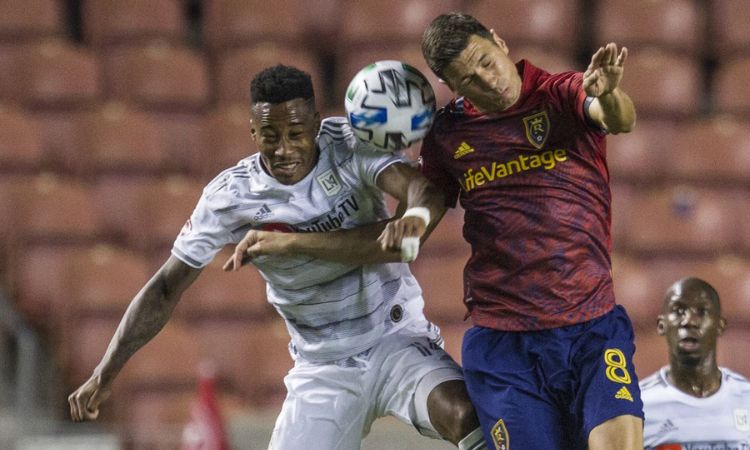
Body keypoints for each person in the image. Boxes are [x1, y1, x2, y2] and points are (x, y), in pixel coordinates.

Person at [68, 65, 487, 450]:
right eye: (270, 136)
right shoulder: (229, 197)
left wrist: (411, 218)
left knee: (466, 415)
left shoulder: (351, 143)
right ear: (252, 131)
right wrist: (106, 372)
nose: (285, 149)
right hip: (321, 366)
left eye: (297, 133)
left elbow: (420, 192)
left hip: (397, 338)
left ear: (316, 124)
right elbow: (164, 288)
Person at [415, 12, 643, 450]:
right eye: (468, 80)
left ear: (498, 42)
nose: (487, 80)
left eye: (484, 61)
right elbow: (425, 208)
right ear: (453, 88)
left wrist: (610, 94)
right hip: (505, 344)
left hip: (590, 328)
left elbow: (618, 118)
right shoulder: (447, 137)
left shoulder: (560, 94)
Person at [641, 277, 750, 449]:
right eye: (679, 311)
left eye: (702, 312)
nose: (690, 321)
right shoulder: (638, 406)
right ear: (661, 325)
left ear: (720, 326)